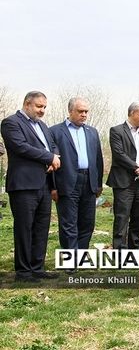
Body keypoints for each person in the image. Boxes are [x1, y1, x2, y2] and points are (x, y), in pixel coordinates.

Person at [1, 91, 61, 282]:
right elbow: (20, 147)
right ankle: (24, 271)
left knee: (41, 227)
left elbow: (52, 145)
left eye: (44, 107)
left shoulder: (43, 126)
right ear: (27, 104)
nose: (42, 110)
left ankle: (37, 267)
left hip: (43, 183)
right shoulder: (11, 123)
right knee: (24, 227)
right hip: (24, 184)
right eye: (39, 106)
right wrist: (49, 157)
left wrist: (54, 157)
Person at [50, 97, 104, 251]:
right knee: (68, 224)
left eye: (86, 111)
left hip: (89, 182)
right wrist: (52, 187)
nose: (84, 114)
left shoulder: (92, 132)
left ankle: (81, 256)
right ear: (70, 111)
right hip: (66, 182)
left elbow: (98, 159)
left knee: (87, 222)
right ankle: (69, 260)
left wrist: (98, 184)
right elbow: (51, 161)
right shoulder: (55, 131)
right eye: (80, 111)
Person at [107, 102, 139, 250]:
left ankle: (134, 253)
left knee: (138, 220)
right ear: (132, 113)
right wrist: (138, 168)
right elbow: (119, 154)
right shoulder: (116, 131)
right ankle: (120, 255)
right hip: (124, 183)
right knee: (121, 220)